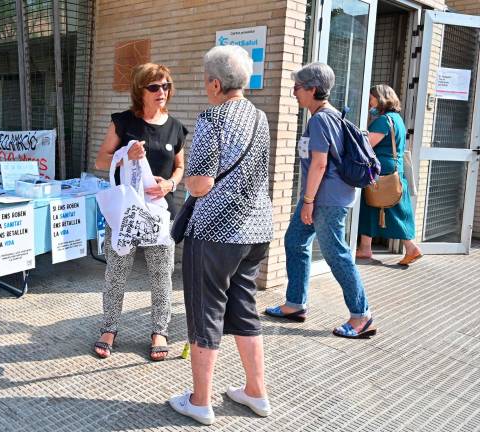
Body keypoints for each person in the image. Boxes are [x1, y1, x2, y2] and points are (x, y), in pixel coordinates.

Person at [168, 45, 273, 425]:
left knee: (206, 313)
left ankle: (200, 401)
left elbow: (198, 184)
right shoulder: (261, 118)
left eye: (204, 79)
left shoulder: (212, 119)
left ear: (215, 83)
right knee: (244, 310)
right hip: (256, 230)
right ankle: (256, 392)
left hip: (215, 233)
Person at [265, 62, 376, 339]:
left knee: (336, 254)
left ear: (313, 89)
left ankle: (362, 315)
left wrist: (308, 201)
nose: (294, 93)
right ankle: (295, 303)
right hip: (326, 197)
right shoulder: (329, 116)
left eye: (298, 88)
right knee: (295, 240)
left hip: (326, 200)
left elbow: (319, 164)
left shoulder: (320, 119)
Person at [93, 63, 188, 361]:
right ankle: (109, 328)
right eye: (155, 87)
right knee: (117, 272)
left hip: (160, 214)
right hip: (125, 214)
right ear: (140, 91)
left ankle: (160, 330)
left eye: (166, 86)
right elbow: (100, 160)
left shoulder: (176, 127)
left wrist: (170, 184)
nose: (162, 92)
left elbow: (180, 167)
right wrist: (123, 155)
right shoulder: (124, 122)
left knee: (162, 275)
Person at [356, 85, 421, 266]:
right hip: (394, 170)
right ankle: (365, 247)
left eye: (372, 98)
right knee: (373, 206)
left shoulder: (383, 120)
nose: (370, 103)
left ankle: (411, 247)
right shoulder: (397, 119)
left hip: (383, 172)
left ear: (381, 98)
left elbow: (367, 145)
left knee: (390, 209)